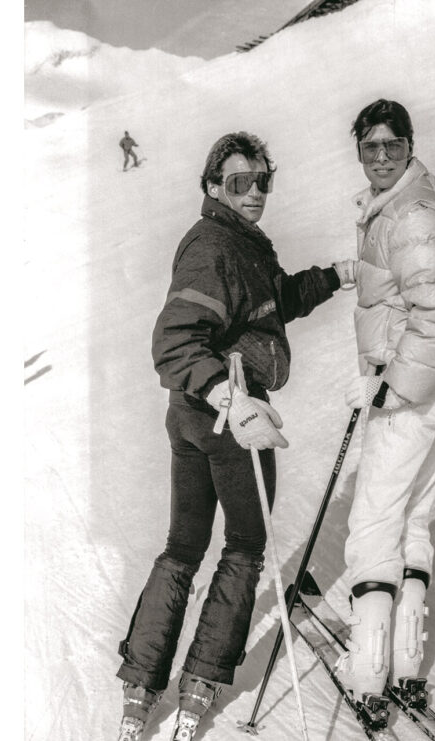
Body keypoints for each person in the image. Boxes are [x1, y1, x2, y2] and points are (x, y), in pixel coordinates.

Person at [114, 131, 357, 741]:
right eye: (237, 183)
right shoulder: (212, 246)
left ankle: (141, 688)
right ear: (212, 187)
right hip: (224, 419)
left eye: (260, 182)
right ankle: (200, 681)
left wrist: (338, 275)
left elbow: (274, 301)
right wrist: (232, 397)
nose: (252, 194)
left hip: (193, 417)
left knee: (182, 547)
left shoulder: (240, 243)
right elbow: (173, 342)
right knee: (245, 545)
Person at [336, 100, 435, 700]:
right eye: (369, 147)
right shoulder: (411, 200)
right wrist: (367, 270)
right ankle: (403, 662)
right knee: (413, 517)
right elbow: (427, 280)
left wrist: (393, 387)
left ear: (408, 145)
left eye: (390, 146)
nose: (379, 156)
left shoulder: (411, 214)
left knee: (374, 521)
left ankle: (368, 675)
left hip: (418, 391)